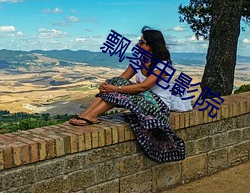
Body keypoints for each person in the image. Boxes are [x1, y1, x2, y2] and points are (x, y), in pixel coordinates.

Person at [69, 26, 192, 162]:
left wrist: (115, 88)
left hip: (158, 104)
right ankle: (88, 114)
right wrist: (107, 86)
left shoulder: (162, 65)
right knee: (114, 82)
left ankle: (91, 115)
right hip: (143, 97)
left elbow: (143, 86)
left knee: (117, 88)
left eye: (141, 42)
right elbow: (122, 78)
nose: (138, 44)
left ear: (152, 45)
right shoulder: (138, 61)